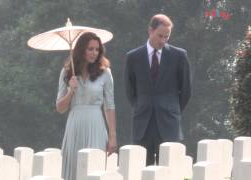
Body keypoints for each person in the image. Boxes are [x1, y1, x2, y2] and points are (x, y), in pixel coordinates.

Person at [123, 14, 191, 165]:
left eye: (167, 37)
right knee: (140, 171)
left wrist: (171, 109)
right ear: (150, 31)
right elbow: (130, 91)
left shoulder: (179, 56)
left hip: (169, 124)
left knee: (168, 171)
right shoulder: (133, 57)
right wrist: (141, 106)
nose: (163, 40)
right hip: (142, 124)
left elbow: (185, 90)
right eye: (160, 35)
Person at [56, 32, 117, 180]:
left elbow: (109, 106)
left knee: (93, 170)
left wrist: (112, 136)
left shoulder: (105, 73)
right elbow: (60, 108)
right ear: (81, 49)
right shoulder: (66, 72)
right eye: (90, 49)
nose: (94, 53)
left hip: (95, 124)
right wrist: (71, 91)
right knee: (72, 170)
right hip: (74, 125)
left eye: (97, 49)